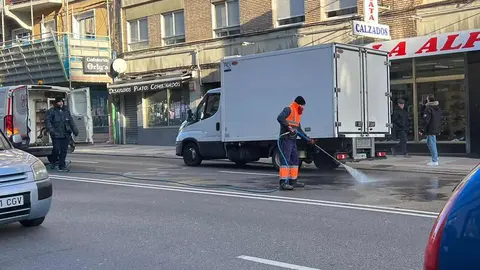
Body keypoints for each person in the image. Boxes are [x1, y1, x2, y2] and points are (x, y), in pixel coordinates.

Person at [277, 96, 314, 190]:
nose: (303, 108)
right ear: (299, 104)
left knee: (295, 160)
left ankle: (293, 181)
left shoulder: (297, 114)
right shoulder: (288, 109)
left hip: (292, 140)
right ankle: (283, 182)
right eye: (303, 106)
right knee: (286, 160)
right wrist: (289, 127)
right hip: (286, 139)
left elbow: (299, 130)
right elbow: (280, 118)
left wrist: (308, 139)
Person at [46, 97, 79, 171]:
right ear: (56, 103)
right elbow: (48, 122)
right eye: (59, 102)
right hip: (56, 134)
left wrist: (75, 130)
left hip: (65, 134)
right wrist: (52, 131)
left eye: (62, 102)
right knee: (56, 149)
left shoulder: (66, 111)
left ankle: (62, 165)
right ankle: (53, 161)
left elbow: (71, 121)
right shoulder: (51, 111)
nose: (61, 103)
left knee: (64, 150)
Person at [420, 94, 442, 166]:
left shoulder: (428, 109)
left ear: (428, 100)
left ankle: (434, 160)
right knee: (433, 143)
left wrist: (422, 130)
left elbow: (426, 120)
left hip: (430, 129)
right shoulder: (437, 108)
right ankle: (435, 157)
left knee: (431, 143)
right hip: (436, 128)